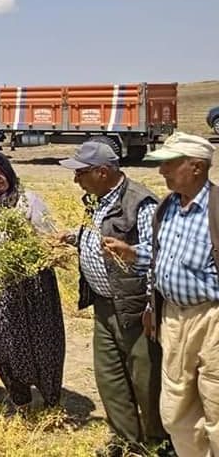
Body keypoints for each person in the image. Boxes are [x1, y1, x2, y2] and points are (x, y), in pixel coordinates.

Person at [59, 139, 169, 456]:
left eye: (81, 172)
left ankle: (158, 442)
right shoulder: (96, 200)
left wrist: (151, 306)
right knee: (110, 377)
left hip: (135, 308)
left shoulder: (141, 204)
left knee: (146, 380)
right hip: (105, 305)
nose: (75, 178)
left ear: (103, 172)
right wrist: (71, 238)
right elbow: (99, 236)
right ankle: (125, 439)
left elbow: (157, 259)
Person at [0, 151, 65, 410]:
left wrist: (31, 251)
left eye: (1, 172)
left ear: (10, 173)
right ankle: (20, 396)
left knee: (44, 340)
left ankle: (50, 396)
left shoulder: (28, 200)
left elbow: (49, 237)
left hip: (33, 284)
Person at [144, 132, 219, 456]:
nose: (162, 171)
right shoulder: (166, 207)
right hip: (172, 316)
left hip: (212, 318)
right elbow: (158, 258)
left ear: (197, 167)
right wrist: (133, 255)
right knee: (175, 412)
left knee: (216, 408)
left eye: (170, 164)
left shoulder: (216, 209)